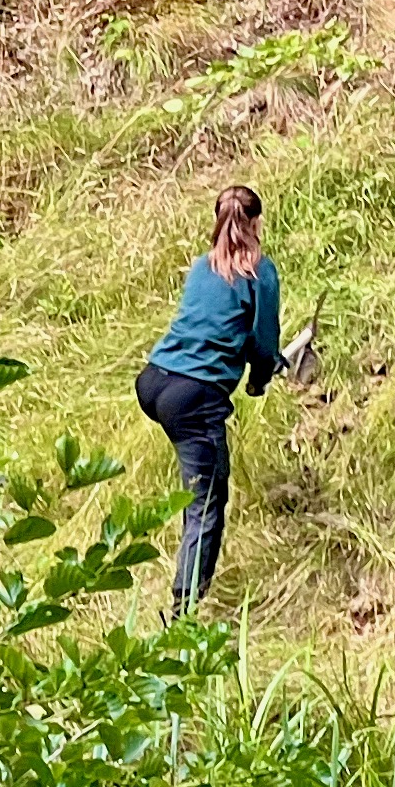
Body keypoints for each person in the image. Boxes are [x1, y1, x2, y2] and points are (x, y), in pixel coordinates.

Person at [137, 182, 283, 611]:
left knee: (197, 485)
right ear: (255, 222)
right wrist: (261, 377)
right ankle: (184, 610)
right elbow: (262, 341)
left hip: (156, 379)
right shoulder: (261, 272)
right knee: (207, 500)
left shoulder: (202, 267)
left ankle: (185, 589)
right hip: (194, 395)